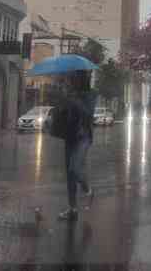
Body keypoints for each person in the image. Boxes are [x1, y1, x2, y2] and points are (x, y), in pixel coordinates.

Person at [58, 70, 96, 221]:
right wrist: (63, 101)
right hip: (70, 136)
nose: (72, 81)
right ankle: (72, 209)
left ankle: (88, 190)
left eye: (75, 78)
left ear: (82, 79)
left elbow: (88, 113)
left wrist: (75, 101)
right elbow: (63, 113)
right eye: (71, 78)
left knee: (75, 167)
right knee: (70, 175)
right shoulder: (70, 93)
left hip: (83, 137)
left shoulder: (91, 94)